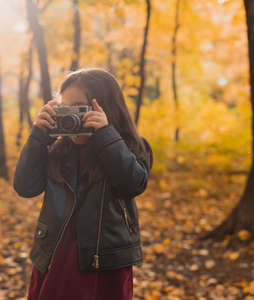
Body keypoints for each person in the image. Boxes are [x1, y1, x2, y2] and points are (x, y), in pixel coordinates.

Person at [13, 68, 153, 300]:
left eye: (79, 108)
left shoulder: (131, 147)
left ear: (105, 108)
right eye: (64, 108)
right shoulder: (58, 150)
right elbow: (25, 187)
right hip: (55, 256)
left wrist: (105, 136)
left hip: (103, 263)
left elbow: (133, 184)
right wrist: (38, 137)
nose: (71, 117)